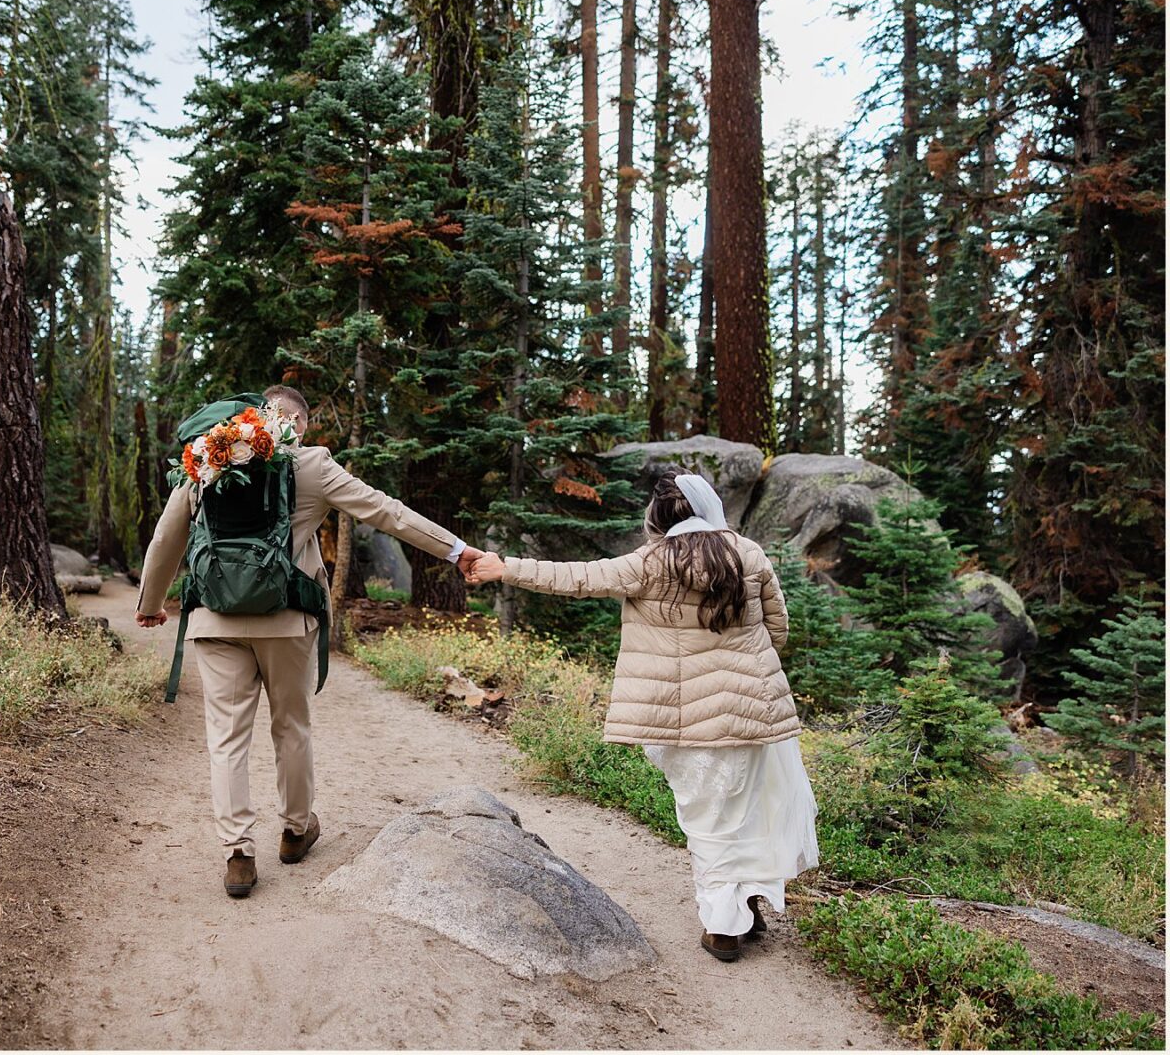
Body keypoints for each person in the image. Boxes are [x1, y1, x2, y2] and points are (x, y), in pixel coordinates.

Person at [137, 385, 481, 898]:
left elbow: (168, 536)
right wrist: (455, 550)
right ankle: (296, 830)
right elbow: (387, 511)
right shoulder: (313, 464)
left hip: (215, 618)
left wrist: (150, 602)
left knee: (226, 738)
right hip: (287, 619)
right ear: (296, 423)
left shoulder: (208, 458)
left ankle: (237, 854)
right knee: (290, 727)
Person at [464, 470, 819, 962]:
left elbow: (577, 577)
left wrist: (505, 567)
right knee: (749, 813)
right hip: (752, 712)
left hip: (684, 720)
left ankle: (723, 928)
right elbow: (778, 630)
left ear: (658, 517)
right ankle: (746, 907)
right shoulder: (749, 554)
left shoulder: (650, 562)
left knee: (706, 818)